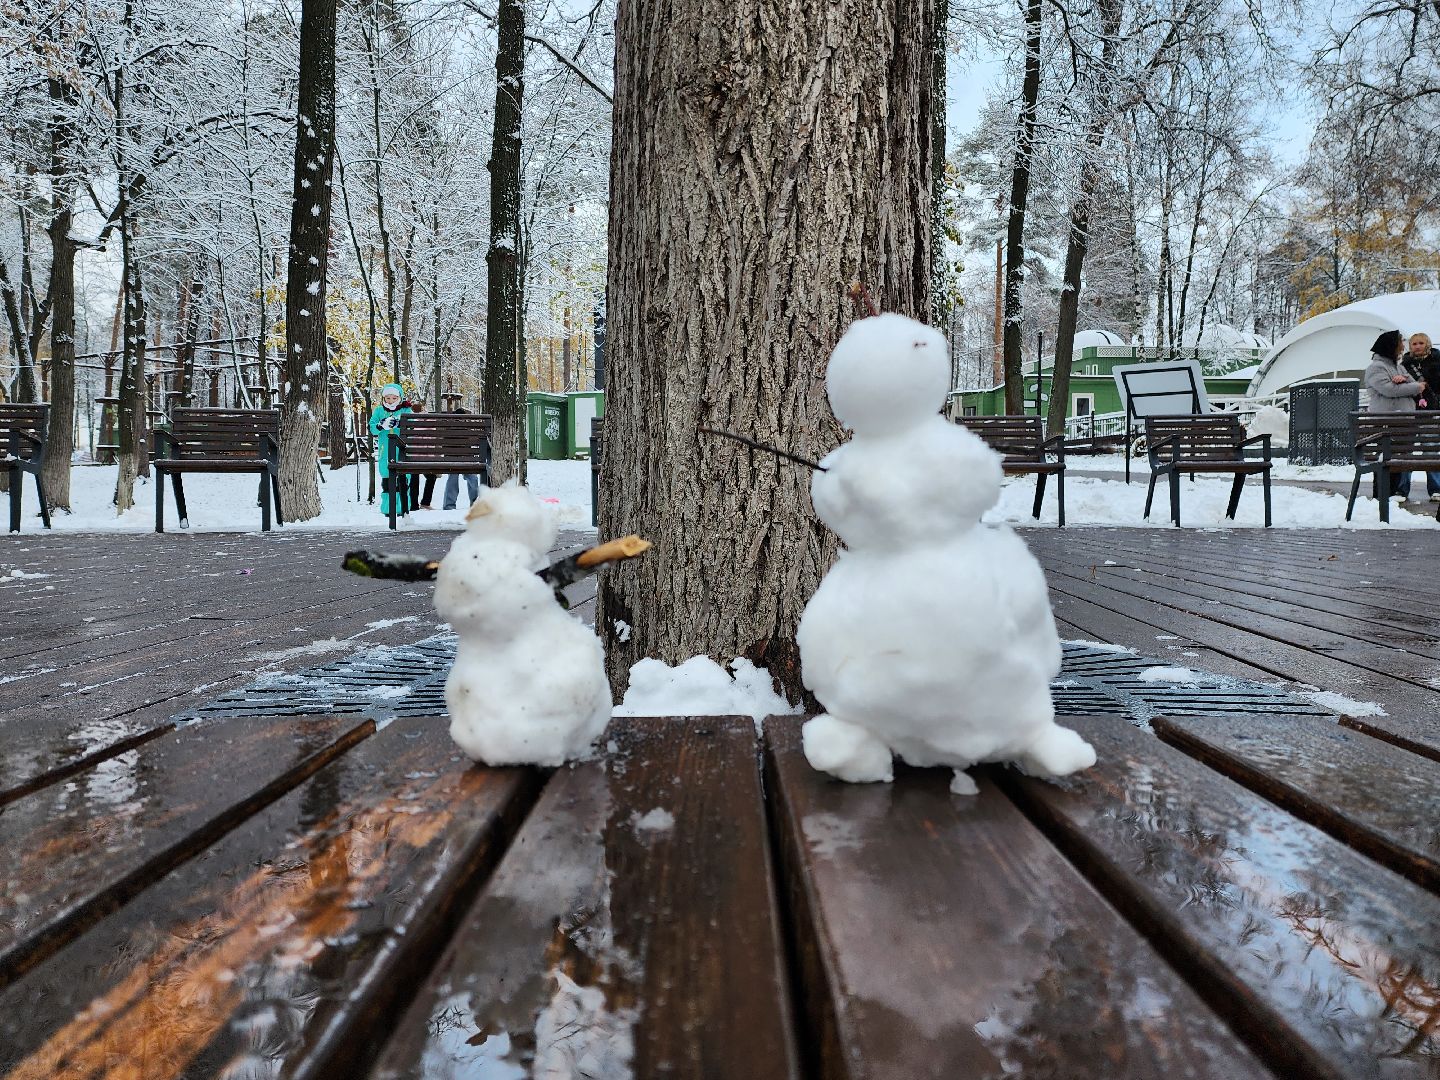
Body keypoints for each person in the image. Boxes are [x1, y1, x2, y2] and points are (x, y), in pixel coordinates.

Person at [1364, 329, 1426, 501]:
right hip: (1386, 421)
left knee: (1400, 459)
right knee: (1386, 461)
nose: (1402, 348)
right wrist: (1412, 386)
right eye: (1400, 344)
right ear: (1390, 346)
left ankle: (1392, 496)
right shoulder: (1376, 368)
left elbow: (1417, 384)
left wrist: (1405, 381)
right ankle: (1382, 497)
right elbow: (1389, 390)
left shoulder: (1398, 367)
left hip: (1404, 421)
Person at [1405, 332, 1440, 500]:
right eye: (1414, 344)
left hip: (1431, 409)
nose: (1417, 346)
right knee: (1406, 449)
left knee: (1431, 448)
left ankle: (1436, 488)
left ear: (1427, 344)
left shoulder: (1437, 361)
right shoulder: (1405, 363)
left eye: (1420, 343)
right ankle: (1401, 489)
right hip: (1410, 410)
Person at [368, 383, 411, 516]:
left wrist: (400, 423)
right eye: (388, 398)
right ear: (383, 398)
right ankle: (388, 507)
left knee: (402, 478)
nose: (390, 401)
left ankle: (402, 506)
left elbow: (412, 424)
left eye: (394, 398)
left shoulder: (405, 410)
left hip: (402, 450)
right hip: (384, 449)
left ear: (399, 397)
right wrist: (381, 425)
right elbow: (372, 427)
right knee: (387, 478)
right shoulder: (379, 411)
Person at [442, 401, 482, 510]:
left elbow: (444, 447)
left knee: (453, 478)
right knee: (472, 479)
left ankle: (449, 505)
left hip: (454, 459)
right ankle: (474, 503)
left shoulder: (448, 429)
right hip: (466, 459)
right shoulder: (467, 428)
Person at [405, 400, 439, 510]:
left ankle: (414, 505)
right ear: (423, 409)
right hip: (427, 458)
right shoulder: (429, 420)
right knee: (431, 477)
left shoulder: (409, 420)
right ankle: (425, 502)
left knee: (414, 476)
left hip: (412, 457)